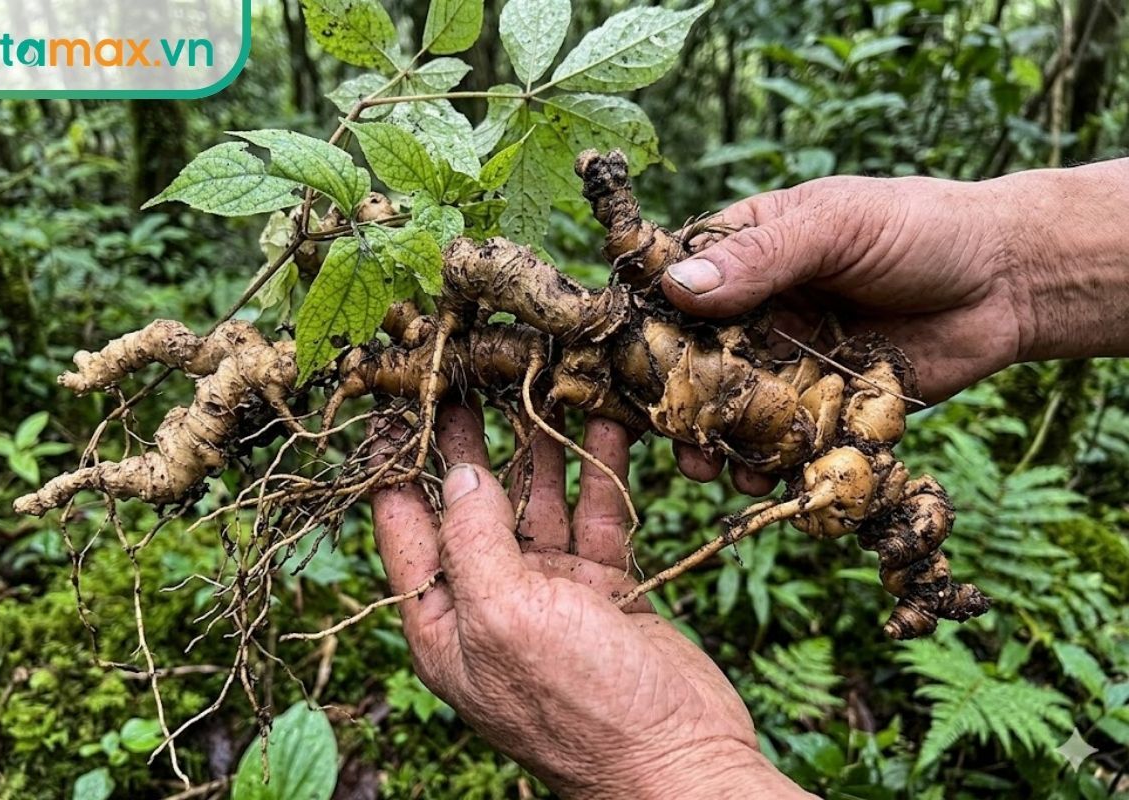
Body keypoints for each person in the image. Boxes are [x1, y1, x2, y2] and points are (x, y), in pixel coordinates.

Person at [370, 158, 1129, 798]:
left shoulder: (841, 438)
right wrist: (1006, 266)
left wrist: (674, 768)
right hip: (732, 370)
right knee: (521, 325)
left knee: (519, 334)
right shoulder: (845, 416)